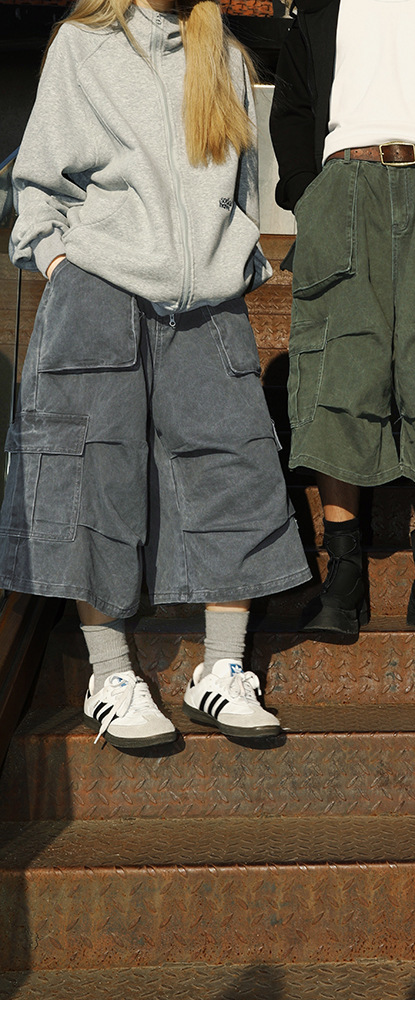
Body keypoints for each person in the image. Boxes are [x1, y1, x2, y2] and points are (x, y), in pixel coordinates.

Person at [0, 0, 311, 750]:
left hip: (209, 303)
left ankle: (223, 669)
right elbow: (38, 178)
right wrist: (59, 261)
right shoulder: (82, 44)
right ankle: (110, 675)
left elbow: (242, 185)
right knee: (91, 472)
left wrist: (240, 262)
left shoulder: (224, 54)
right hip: (98, 287)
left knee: (236, 467)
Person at [269, 0, 415, 644]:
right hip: (342, 185)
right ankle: (344, 572)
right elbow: (291, 109)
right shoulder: (316, 7)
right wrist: (309, 192)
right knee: (338, 370)